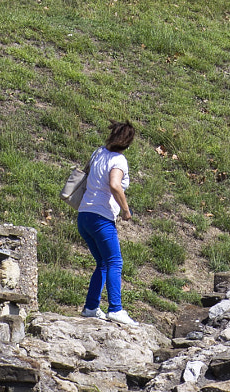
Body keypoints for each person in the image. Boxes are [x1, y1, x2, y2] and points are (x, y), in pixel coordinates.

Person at [76, 120, 137, 324]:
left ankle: (91, 307)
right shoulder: (118, 160)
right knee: (115, 262)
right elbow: (114, 185)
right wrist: (126, 211)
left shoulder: (98, 153)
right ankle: (115, 309)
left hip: (84, 214)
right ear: (127, 142)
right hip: (101, 217)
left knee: (102, 262)